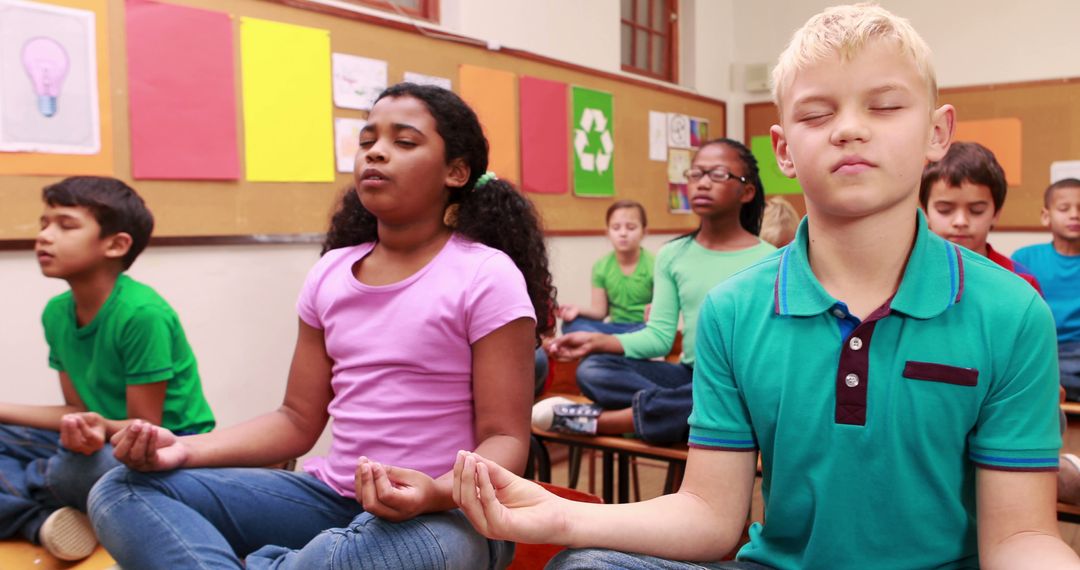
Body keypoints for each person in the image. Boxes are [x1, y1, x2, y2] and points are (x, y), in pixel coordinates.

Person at [453, 5, 1079, 569]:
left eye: (885, 106)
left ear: (937, 133)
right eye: (816, 112)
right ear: (783, 147)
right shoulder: (736, 307)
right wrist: (564, 515)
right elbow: (709, 512)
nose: (849, 129)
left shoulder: (1012, 311)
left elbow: (1020, 537)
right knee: (586, 568)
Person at [87, 83, 556, 569]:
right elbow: (295, 420)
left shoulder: (486, 275)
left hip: (448, 516)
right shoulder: (331, 273)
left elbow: (506, 441)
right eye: (367, 139)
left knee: (419, 552)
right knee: (122, 489)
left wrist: (432, 493)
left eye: (405, 142)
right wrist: (180, 449)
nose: (376, 151)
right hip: (330, 499)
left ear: (456, 172)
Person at [0, 176, 215, 561]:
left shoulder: (141, 314)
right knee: (59, 460)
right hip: (99, 438)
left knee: (74, 470)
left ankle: (33, 497)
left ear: (116, 245)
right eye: (43, 224)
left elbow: (144, 430)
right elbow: (76, 413)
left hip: (160, 448)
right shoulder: (56, 313)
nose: (45, 236)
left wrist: (85, 437)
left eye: (65, 226)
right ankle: (43, 519)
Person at [534, 138, 774, 444]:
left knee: (734, 394)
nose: (702, 183)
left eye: (717, 175)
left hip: (738, 381)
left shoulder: (770, 260)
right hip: (690, 378)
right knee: (594, 369)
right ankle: (678, 412)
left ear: (747, 191)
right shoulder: (672, 254)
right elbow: (659, 336)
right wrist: (596, 341)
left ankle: (603, 422)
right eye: (696, 174)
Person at [920, 141, 1041, 291]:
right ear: (925, 212)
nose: (961, 221)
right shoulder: (903, 277)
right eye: (944, 209)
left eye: (976, 210)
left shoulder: (1021, 282)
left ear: (996, 213)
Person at [1013, 178, 1080, 401]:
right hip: (1043, 347)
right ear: (1046, 216)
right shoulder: (1025, 258)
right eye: (1064, 208)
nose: (1074, 214)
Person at [559, 200, 654, 335]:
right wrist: (577, 310)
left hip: (643, 328)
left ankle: (607, 348)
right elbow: (600, 312)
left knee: (651, 332)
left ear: (644, 232)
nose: (623, 233)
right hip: (613, 328)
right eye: (616, 228)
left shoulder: (656, 265)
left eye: (631, 227)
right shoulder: (601, 267)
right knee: (571, 325)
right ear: (608, 232)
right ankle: (615, 348)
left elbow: (662, 316)